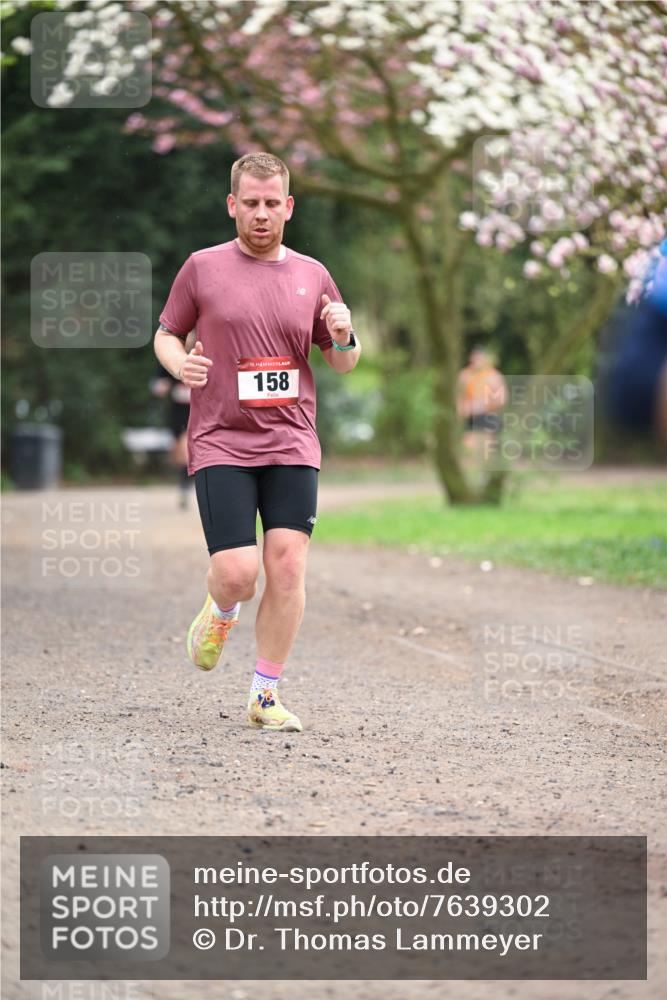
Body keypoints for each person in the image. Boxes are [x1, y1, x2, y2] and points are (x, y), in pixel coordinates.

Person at [153, 152, 361, 733]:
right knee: (240, 573)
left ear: (289, 207)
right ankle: (221, 610)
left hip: (292, 440)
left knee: (289, 566)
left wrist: (345, 336)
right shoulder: (202, 267)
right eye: (251, 204)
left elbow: (342, 362)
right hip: (221, 439)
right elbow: (167, 332)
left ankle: (264, 695)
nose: (262, 214)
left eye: (273, 204)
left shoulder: (313, 275)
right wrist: (179, 366)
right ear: (232, 206)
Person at [149, 358, 193, 508]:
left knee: (185, 448)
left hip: (197, 411)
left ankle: (185, 487)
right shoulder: (170, 357)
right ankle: (184, 482)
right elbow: (155, 385)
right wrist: (162, 386)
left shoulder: (204, 355)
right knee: (179, 454)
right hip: (177, 412)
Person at [456, 344, 507, 458]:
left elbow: (502, 400)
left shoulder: (493, 376)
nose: (476, 361)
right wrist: (463, 409)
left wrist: (484, 405)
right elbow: (459, 398)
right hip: (468, 417)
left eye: (479, 358)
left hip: (487, 416)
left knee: (483, 446)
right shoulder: (464, 375)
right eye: (474, 357)